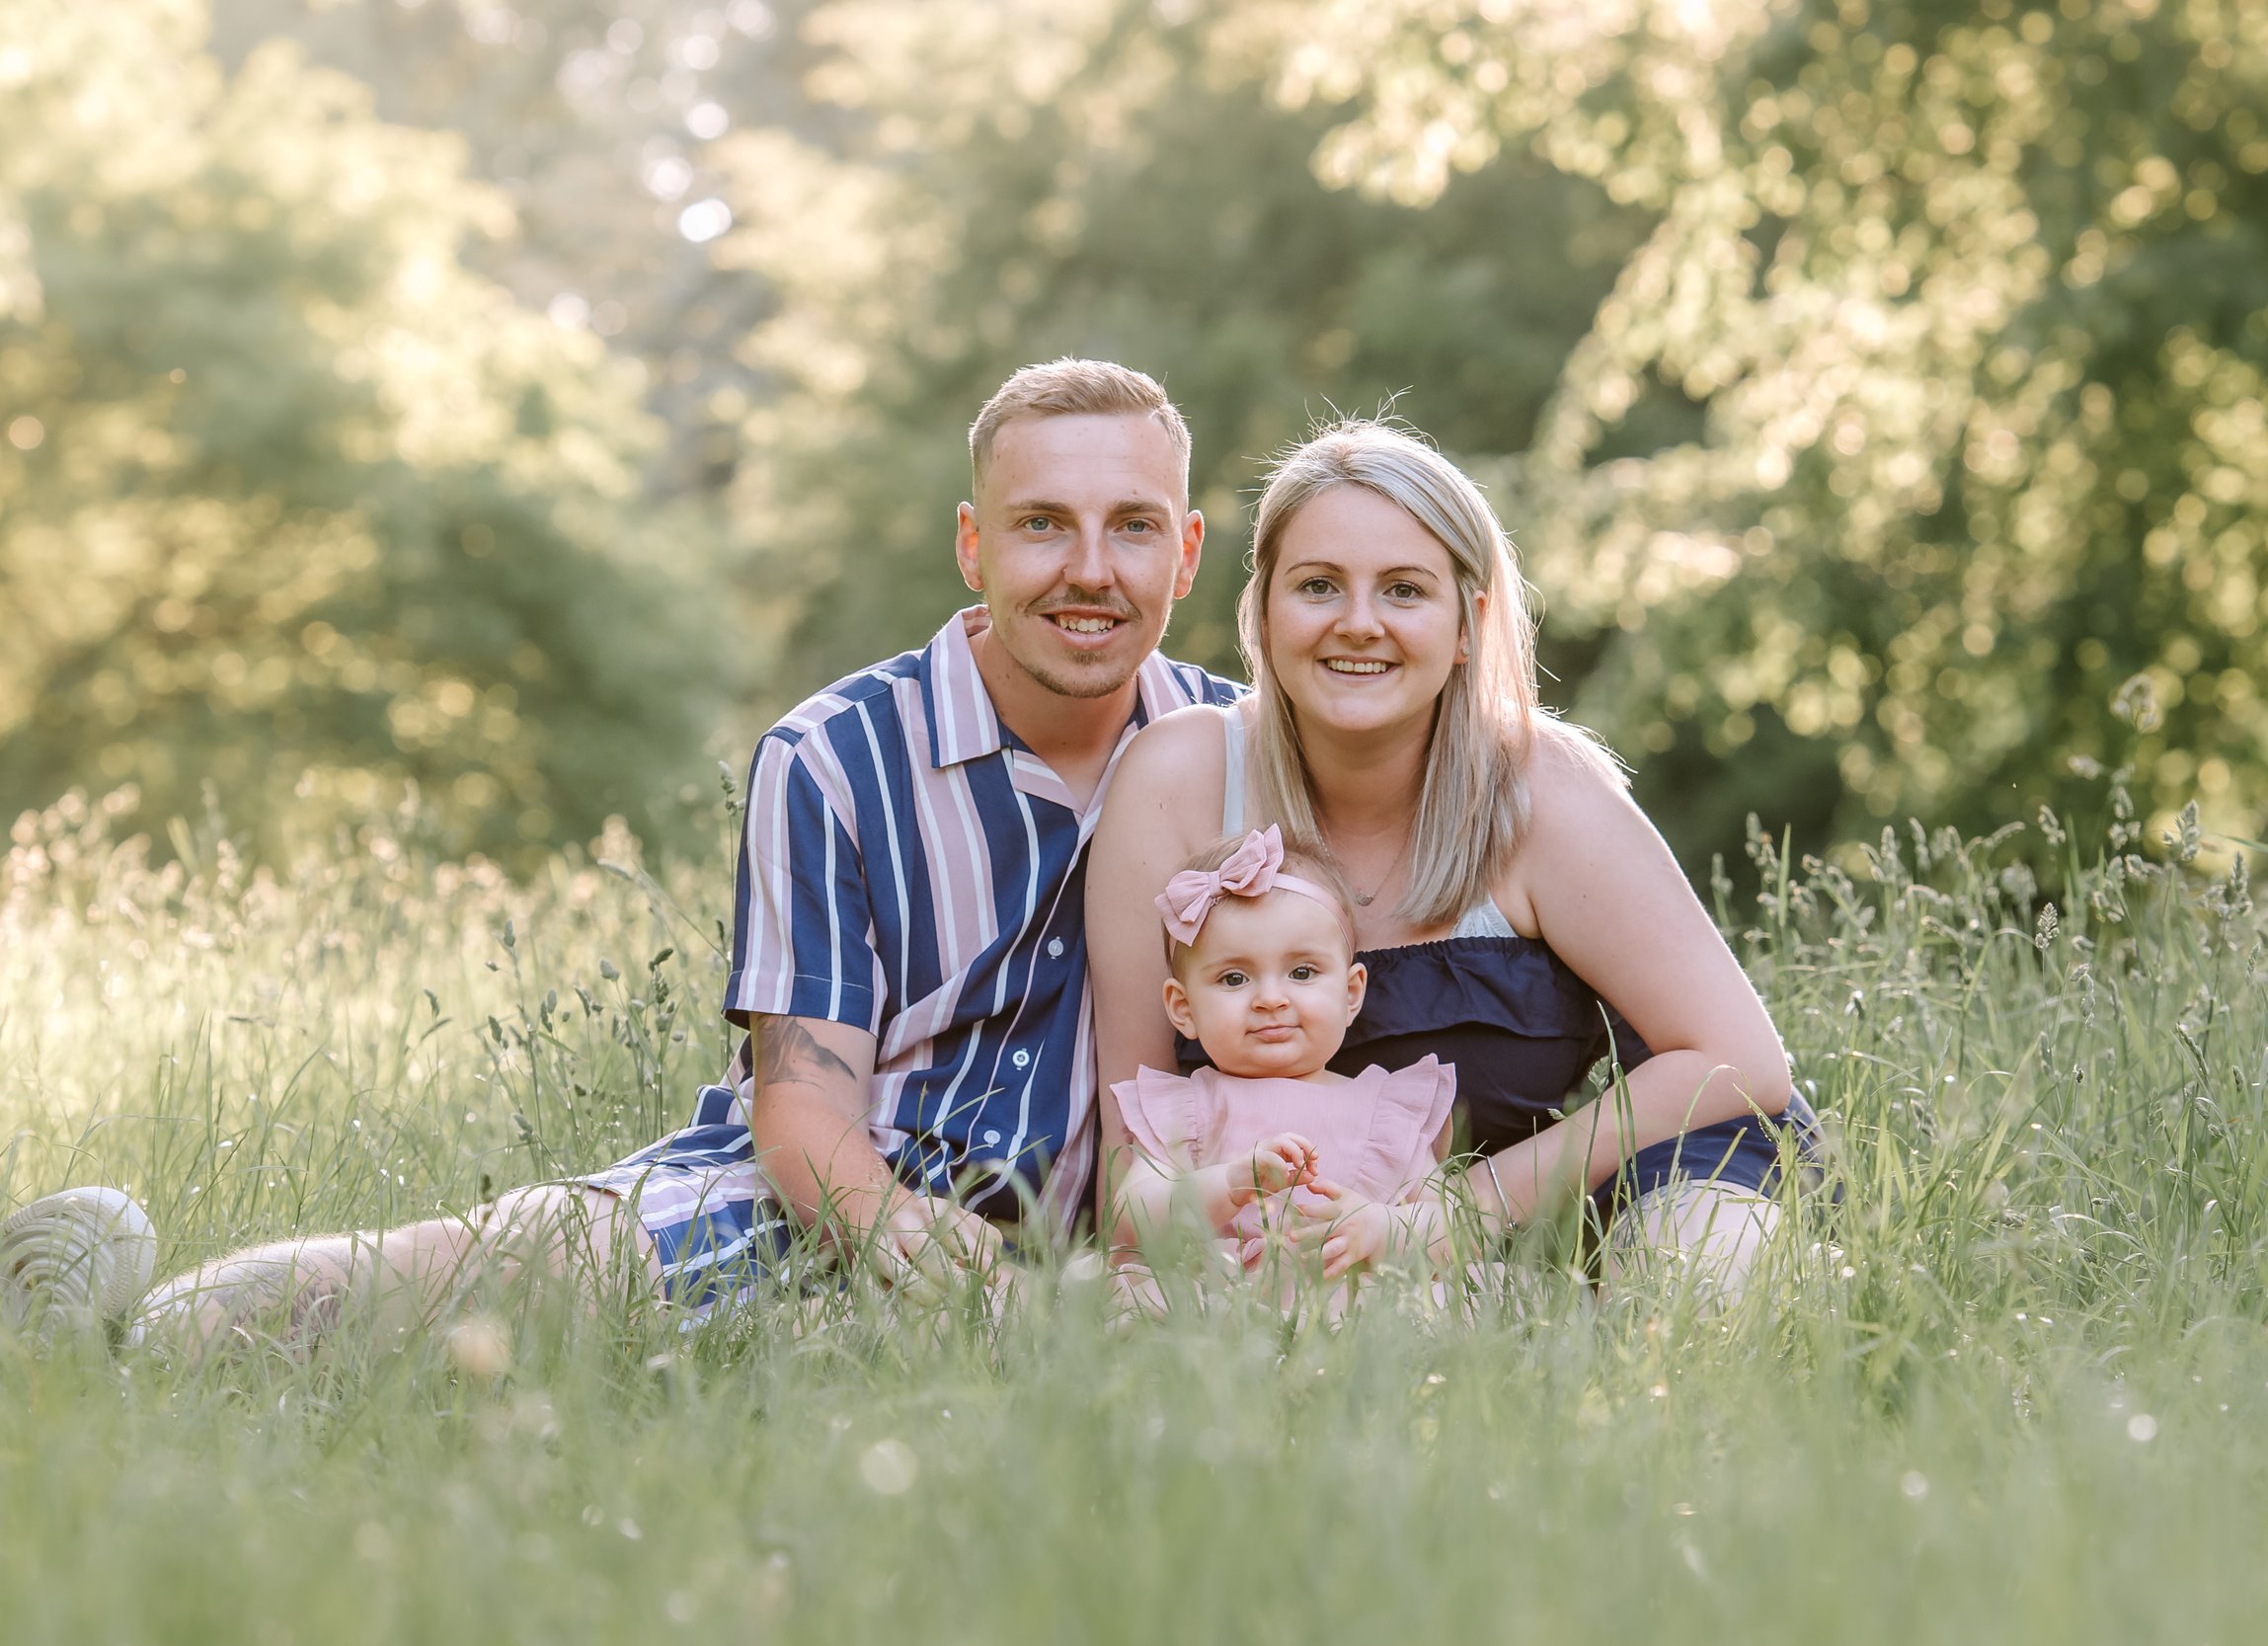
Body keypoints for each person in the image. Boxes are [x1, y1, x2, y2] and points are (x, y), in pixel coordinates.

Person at [1, 358, 1241, 1350]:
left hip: (1108, 1250)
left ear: (1184, 552)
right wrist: (904, 1240)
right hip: (834, 1196)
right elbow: (803, 1101)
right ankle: (114, 1331)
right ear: (974, 545)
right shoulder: (834, 756)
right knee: (524, 1267)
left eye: (1131, 527)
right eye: (1043, 526)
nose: (1091, 569)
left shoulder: (1240, 756)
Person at [1088, 420, 1822, 1301]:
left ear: (1469, 623)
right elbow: (1130, 1145)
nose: (1359, 624)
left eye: (1405, 589)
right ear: (1264, 611)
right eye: (1318, 585)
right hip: (1309, 1250)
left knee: (1709, 1280)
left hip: (1610, 1182)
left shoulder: (1537, 787)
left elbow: (1739, 1061)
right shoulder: (1181, 776)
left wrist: (1446, 1215)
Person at [1110, 825, 1455, 1293]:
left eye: (1301, 972)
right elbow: (1131, 1220)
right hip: (1214, 1303)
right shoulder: (1187, 1111)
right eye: (1234, 979)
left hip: (1352, 1308)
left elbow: (1449, 1231)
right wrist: (1229, 1183)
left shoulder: (1385, 1113)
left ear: (1351, 993)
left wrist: (1379, 1229)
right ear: (1183, 1009)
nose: (1270, 999)